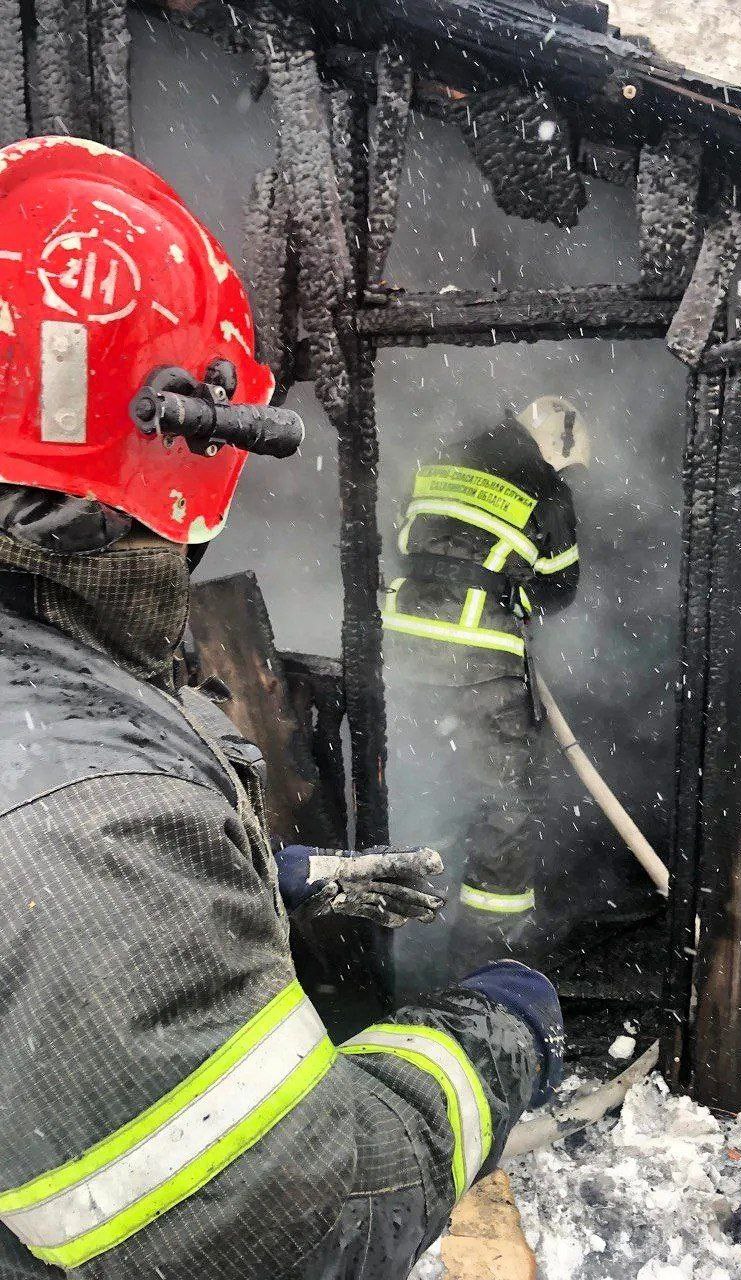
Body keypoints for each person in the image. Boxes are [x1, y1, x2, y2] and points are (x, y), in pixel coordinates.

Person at [0, 137, 562, 1280]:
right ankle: (498, 949)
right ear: (186, 439)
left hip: (418, 645)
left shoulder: (50, 716)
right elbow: (300, 1224)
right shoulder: (83, 823)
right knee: (502, 817)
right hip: (488, 661)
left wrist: (276, 873)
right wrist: (495, 1040)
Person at [383, 396, 588, 975]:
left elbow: (405, 542)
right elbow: (560, 589)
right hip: (475, 662)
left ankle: (402, 942)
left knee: (417, 787)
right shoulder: (546, 488)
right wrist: (515, 592)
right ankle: (490, 958)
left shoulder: (442, 456)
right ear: (558, 444)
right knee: (503, 804)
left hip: (399, 649)